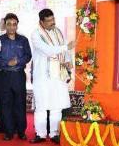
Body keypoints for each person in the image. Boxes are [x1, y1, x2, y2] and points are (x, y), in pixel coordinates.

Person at [30, 9, 75, 144]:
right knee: (42, 106)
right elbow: (48, 51)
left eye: (53, 19)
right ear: (41, 22)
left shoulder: (58, 32)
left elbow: (65, 50)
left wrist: (68, 62)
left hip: (58, 74)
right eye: (49, 21)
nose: (52, 23)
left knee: (57, 105)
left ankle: (55, 133)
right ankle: (41, 134)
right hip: (43, 76)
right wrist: (66, 47)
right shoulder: (36, 34)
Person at [0, 13, 32, 141]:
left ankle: (21, 131)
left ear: (17, 25)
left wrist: (18, 62)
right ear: (5, 25)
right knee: (5, 103)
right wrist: (7, 63)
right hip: (2, 75)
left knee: (20, 103)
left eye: (14, 24)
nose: (11, 27)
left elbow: (28, 56)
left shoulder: (23, 40)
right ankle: (8, 131)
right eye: (9, 24)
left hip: (18, 75)